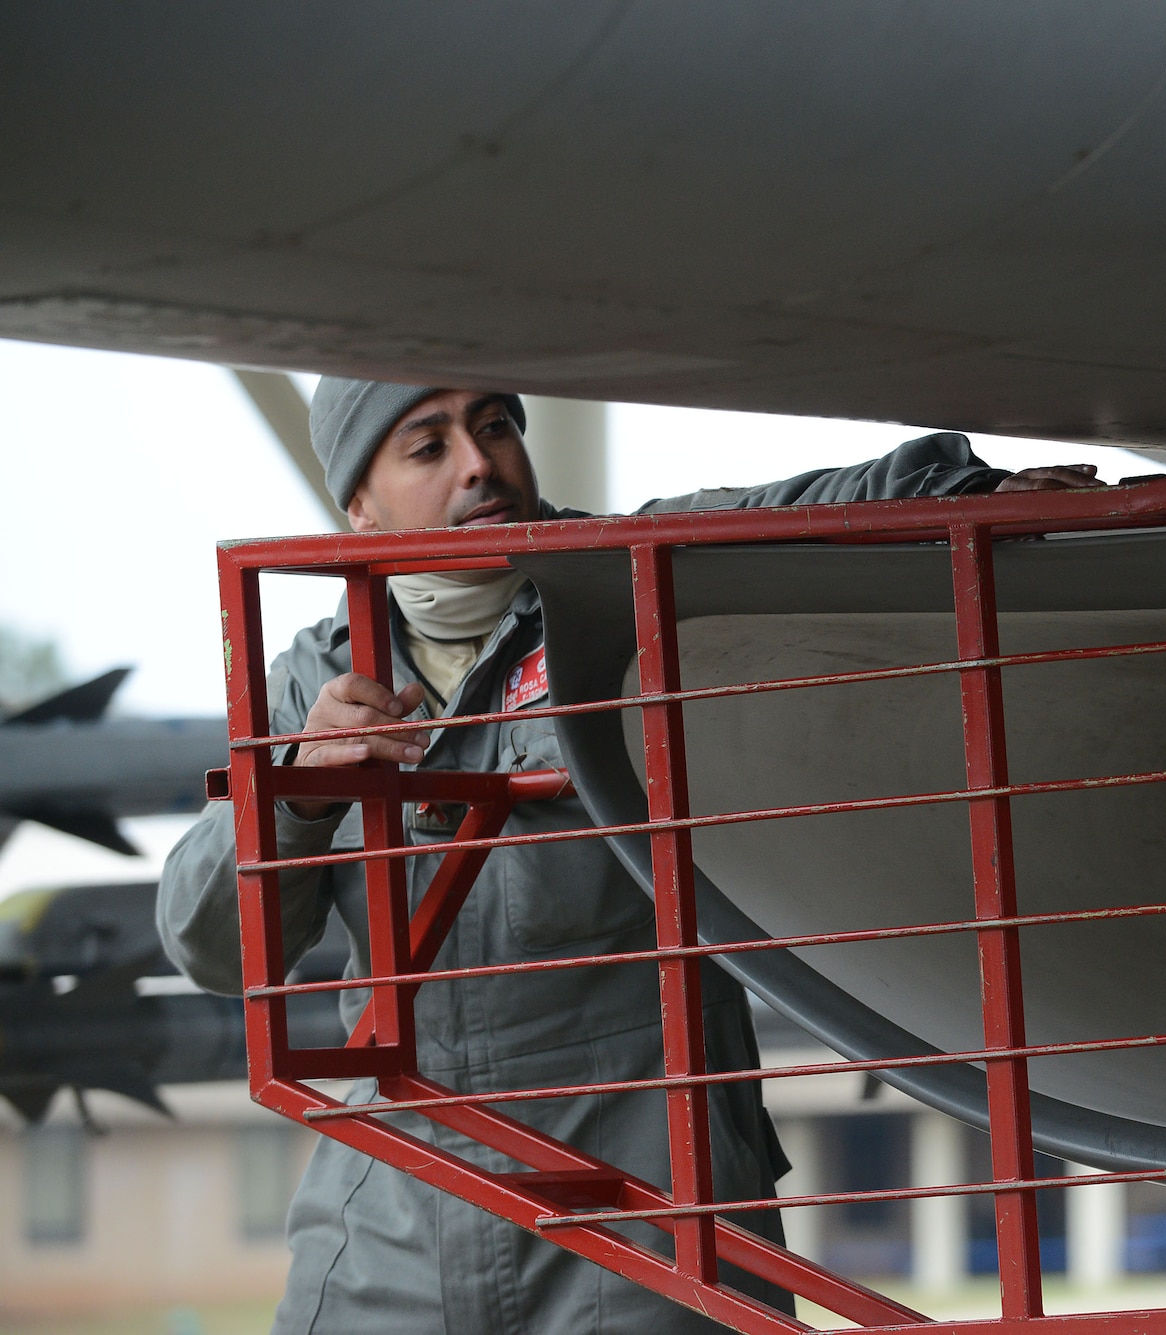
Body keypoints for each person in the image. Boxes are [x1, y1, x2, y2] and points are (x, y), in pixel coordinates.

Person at [157, 380, 1102, 1334]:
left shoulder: (625, 582)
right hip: (400, 1210)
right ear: (356, 504)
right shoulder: (313, 680)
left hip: (650, 1202)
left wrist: (966, 493)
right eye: (427, 444)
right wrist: (297, 791)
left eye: (492, 426)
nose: (480, 461)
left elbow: (795, 516)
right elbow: (210, 949)